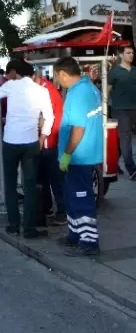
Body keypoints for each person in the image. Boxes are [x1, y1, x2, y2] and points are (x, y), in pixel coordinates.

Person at [0, 60, 54, 239]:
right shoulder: (42, 90)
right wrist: (42, 137)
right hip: (31, 142)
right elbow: (49, 117)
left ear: (17, 73)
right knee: (30, 186)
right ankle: (29, 229)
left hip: (11, 142)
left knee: (10, 185)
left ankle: (13, 225)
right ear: (32, 74)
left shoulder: (11, 86)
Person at [54, 57, 103, 257]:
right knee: (72, 197)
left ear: (64, 74)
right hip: (83, 154)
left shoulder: (78, 93)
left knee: (81, 198)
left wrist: (66, 154)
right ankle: (75, 235)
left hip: (79, 155)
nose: (57, 80)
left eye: (57, 76)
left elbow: (78, 129)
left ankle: (89, 241)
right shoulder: (87, 87)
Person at [33, 70, 66, 226]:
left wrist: (44, 135)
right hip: (46, 139)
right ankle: (45, 207)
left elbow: (51, 117)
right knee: (44, 177)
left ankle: (63, 211)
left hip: (49, 140)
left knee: (55, 178)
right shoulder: (44, 88)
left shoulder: (46, 90)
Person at [108, 45, 136, 179]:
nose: (131, 55)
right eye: (128, 53)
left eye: (132, 53)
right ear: (121, 55)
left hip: (134, 109)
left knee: (121, 140)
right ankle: (132, 169)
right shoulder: (114, 72)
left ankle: (113, 163)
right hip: (120, 111)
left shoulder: (135, 70)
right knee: (125, 139)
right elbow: (106, 91)